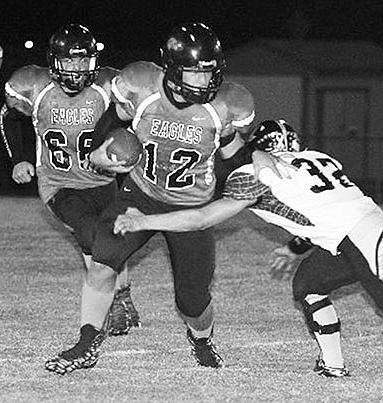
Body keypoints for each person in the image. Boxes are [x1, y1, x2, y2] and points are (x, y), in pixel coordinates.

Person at [113, 119, 383, 378]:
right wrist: (298, 247)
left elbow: (203, 218)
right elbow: (318, 212)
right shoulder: (316, 157)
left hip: (362, 240)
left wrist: (145, 220)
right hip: (358, 234)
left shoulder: (255, 173)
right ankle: (333, 364)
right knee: (309, 286)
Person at [44, 22, 282, 375]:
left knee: (192, 301)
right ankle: (86, 344)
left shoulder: (226, 104)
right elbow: (112, 119)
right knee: (103, 258)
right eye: (193, 73)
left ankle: (202, 339)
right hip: (140, 195)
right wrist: (101, 149)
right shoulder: (142, 87)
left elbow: (231, 148)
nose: (203, 82)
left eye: (209, 73)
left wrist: (253, 155)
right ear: (171, 69)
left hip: (192, 206)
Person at [2, 24, 140, 338]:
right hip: (59, 184)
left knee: (114, 236)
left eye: (83, 61)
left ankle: (123, 294)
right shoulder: (34, 87)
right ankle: (111, 305)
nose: (77, 69)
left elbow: (140, 113)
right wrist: (19, 158)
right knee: (91, 235)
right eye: (70, 61)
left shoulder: (107, 86)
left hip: (102, 180)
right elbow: (8, 116)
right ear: (54, 61)